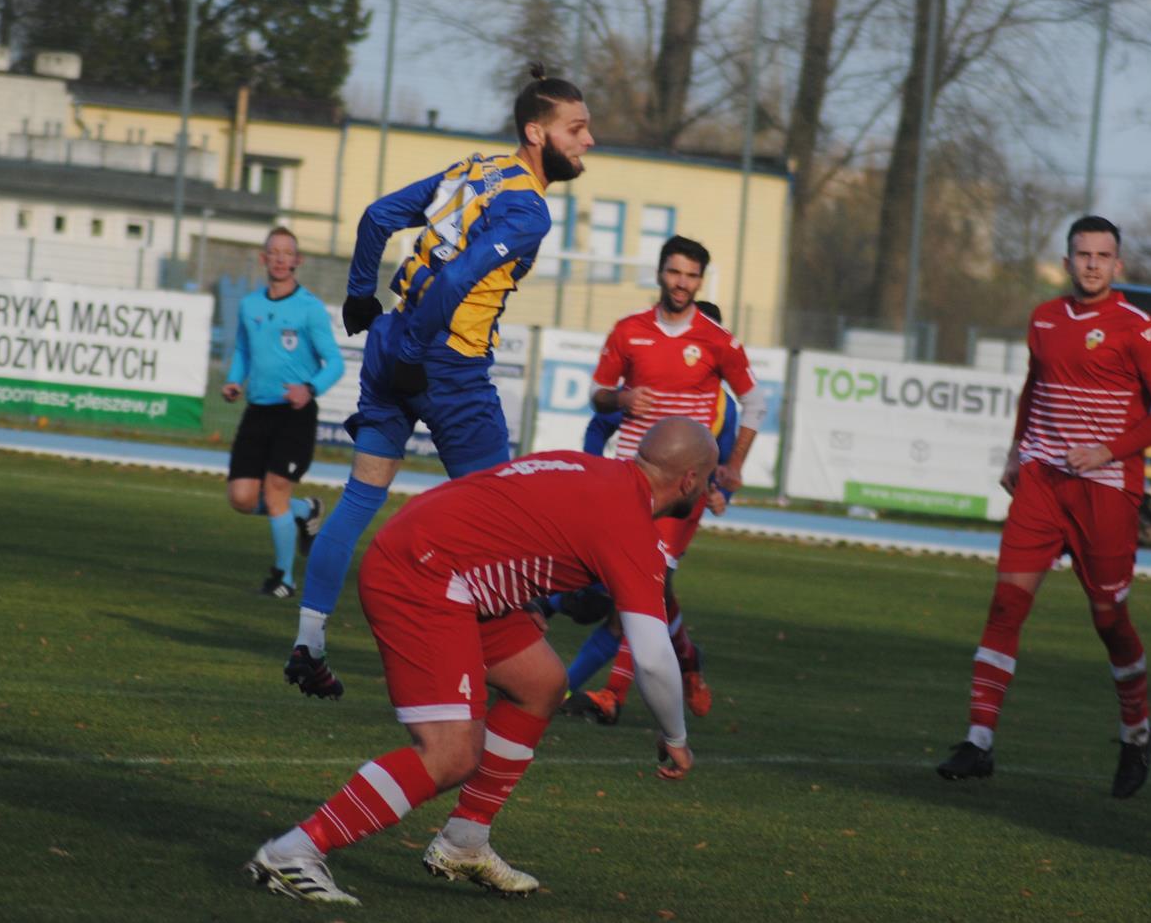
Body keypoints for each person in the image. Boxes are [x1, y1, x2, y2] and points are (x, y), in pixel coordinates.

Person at [243, 418, 716, 906]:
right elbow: (654, 657)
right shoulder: (631, 523)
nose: (707, 489)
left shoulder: (591, 470)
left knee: (542, 683)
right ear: (688, 481)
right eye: (708, 478)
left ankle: (464, 842)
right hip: (424, 572)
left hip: (449, 565)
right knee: (450, 753)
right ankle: (294, 851)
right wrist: (675, 738)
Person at [282, 66, 595, 699]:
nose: (589, 140)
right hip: (445, 365)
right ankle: (509, 653)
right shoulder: (528, 209)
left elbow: (376, 217)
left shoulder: (476, 168)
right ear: (538, 133)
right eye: (578, 128)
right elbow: (454, 284)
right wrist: (421, 352)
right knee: (506, 520)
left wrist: (359, 299)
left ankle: (308, 645)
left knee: (360, 499)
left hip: (392, 339)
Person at [936, 215, 1151, 798]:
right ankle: (978, 741)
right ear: (1068, 259)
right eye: (1082, 254)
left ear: (1117, 264)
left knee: (1109, 622)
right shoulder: (1044, 318)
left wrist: (1108, 448)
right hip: (1042, 485)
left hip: (1106, 492)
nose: (1092, 263)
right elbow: (1035, 387)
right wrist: (1016, 454)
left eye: (1103, 255)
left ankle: (1136, 734)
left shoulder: (1140, 329)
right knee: (1005, 605)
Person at [562, 242, 768, 724]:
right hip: (629, 480)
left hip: (680, 493)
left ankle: (610, 693)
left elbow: (754, 407)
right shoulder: (629, 332)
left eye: (691, 275)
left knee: (642, 590)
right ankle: (687, 657)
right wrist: (621, 399)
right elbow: (598, 398)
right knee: (630, 586)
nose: (681, 282)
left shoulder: (718, 344)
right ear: (660, 273)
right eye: (673, 272)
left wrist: (730, 472)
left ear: (700, 281)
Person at [550, 301, 739, 708]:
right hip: (627, 498)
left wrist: (722, 491)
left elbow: (721, 466)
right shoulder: (651, 389)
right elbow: (599, 425)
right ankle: (686, 658)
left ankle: (590, 693)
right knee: (611, 594)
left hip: (676, 512)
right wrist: (598, 469)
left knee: (630, 600)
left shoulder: (725, 409)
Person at [222, 227, 345, 598]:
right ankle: (305, 511)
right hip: (256, 412)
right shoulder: (250, 305)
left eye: (286, 252)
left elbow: (335, 363)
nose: (279, 258)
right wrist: (233, 380)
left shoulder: (309, 308)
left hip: (294, 415)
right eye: (272, 252)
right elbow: (243, 351)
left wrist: (309, 389)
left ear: (297, 261)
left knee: (274, 493)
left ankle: (283, 579)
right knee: (242, 498)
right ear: (263, 258)